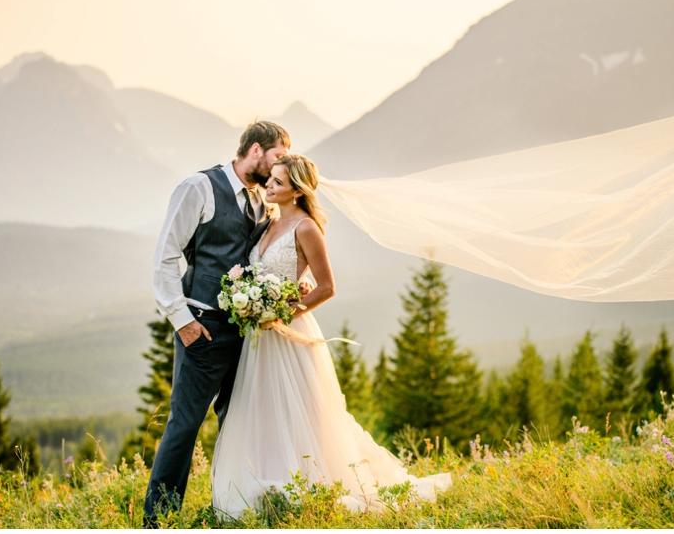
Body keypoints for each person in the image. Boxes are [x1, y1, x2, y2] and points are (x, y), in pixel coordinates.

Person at [210, 153, 452, 520]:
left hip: (290, 333)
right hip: (260, 339)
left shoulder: (306, 228)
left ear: (297, 190)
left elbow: (326, 287)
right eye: (270, 179)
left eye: (277, 182)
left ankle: (310, 484)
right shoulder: (269, 223)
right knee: (263, 408)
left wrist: (280, 313)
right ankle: (267, 483)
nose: (269, 186)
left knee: (301, 410)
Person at [144, 121, 290, 527]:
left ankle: (232, 511)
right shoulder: (198, 188)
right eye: (278, 158)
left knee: (238, 423)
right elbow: (166, 257)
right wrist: (183, 322)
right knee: (185, 425)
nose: (283, 168)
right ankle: (158, 520)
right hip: (202, 329)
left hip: (247, 334)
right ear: (256, 150)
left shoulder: (265, 200)